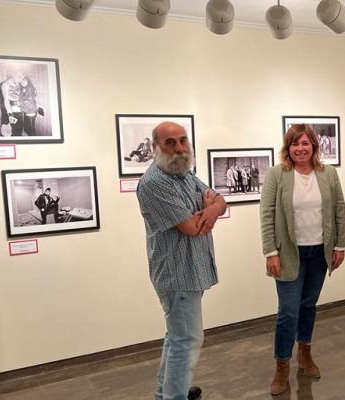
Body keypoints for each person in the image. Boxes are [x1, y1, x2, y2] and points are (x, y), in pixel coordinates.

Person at [136, 121, 226, 400]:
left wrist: (211, 208)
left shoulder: (184, 174)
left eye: (183, 140)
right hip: (177, 274)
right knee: (186, 340)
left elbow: (221, 200)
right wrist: (210, 210)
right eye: (170, 142)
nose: (179, 147)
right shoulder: (153, 183)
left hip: (191, 270)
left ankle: (166, 392)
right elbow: (190, 228)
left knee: (177, 337)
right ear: (155, 147)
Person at [260, 124, 345, 395]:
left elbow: (339, 210)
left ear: (314, 147)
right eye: (295, 144)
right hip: (288, 253)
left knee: (308, 306)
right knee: (288, 311)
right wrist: (270, 252)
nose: (300, 148)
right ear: (288, 148)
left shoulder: (328, 173)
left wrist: (340, 245)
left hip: (319, 252)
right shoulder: (278, 174)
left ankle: (305, 354)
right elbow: (266, 214)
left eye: (305, 144)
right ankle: (282, 365)